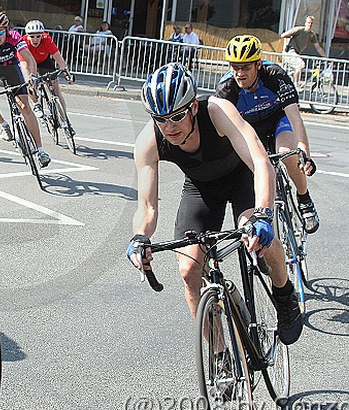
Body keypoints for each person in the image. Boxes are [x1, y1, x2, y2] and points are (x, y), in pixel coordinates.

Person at [128, 62, 303, 347]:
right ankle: (219, 355)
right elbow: (147, 207)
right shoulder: (150, 139)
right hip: (201, 188)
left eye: (176, 116)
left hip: (241, 178)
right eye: (160, 119)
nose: (168, 127)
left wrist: (264, 214)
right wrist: (140, 238)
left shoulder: (218, 111)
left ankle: (284, 295)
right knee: (188, 270)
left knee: (257, 235)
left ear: (194, 107)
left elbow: (261, 164)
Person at [216, 35, 320, 234]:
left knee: (288, 154)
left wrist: (304, 152)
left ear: (258, 64)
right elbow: (220, 129)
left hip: (278, 120)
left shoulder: (274, 75)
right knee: (256, 168)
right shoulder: (227, 88)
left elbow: (295, 116)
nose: (239, 73)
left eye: (245, 67)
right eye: (234, 66)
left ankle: (304, 197)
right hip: (251, 129)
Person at [0, 11, 51, 167]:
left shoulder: (15, 37)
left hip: (11, 68)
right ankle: (4, 125)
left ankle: (40, 150)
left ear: (7, 29)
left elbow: (30, 59)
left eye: (0, 32)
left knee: (24, 107)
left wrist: (31, 77)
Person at [24, 19, 76, 136]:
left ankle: (65, 122)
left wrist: (67, 74)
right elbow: (24, 65)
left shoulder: (47, 40)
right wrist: (29, 78)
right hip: (30, 63)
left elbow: (59, 59)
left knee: (56, 91)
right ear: (28, 36)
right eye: (32, 36)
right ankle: (36, 104)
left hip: (44, 62)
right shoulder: (24, 43)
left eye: (38, 36)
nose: (35, 39)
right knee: (29, 82)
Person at [281, 15, 327, 82]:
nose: (310, 25)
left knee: (300, 66)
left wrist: (326, 57)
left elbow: (318, 47)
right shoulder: (299, 30)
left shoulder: (312, 35)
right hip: (289, 51)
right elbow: (283, 35)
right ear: (305, 23)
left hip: (297, 52)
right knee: (300, 65)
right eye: (308, 22)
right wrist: (290, 36)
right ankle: (296, 85)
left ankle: (294, 82)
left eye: (311, 23)